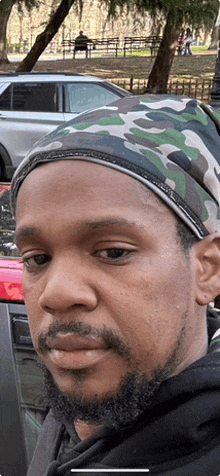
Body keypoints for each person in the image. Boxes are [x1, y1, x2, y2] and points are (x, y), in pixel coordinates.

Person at [11, 95, 220, 476]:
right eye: (38, 259)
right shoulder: (74, 415)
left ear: (208, 269)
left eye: (112, 252)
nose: (56, 294)